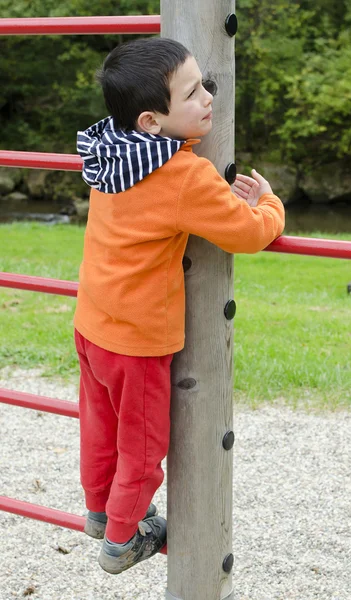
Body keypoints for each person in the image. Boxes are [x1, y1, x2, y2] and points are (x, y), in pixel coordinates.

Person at [74, 36, 285, 575]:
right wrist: (269, 201)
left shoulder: (111, 150)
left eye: (205, 85)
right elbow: (247, 233)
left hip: (93, 324)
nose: (209, 99)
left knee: (100, 428)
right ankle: (122, 540)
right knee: (144, 449)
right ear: (151, 120)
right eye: (193, 93)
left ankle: (100, 512)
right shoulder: (182, 175)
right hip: (138, 341)